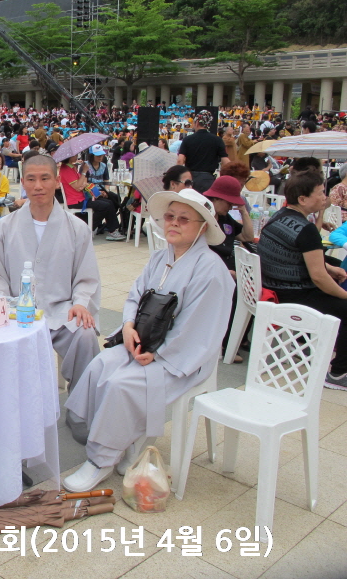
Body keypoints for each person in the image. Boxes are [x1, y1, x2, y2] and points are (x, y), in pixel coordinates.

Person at [63, 189, 233, 492]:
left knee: (122, 384)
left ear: (203, 227)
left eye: (184, 219)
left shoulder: (212, 270)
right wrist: (128, 326)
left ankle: (101, 460)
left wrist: (159, 354)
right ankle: (117, 438)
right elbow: (135, 295)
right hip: (142, 341)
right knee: (102, 363)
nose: (174, 223)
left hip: (182, 356)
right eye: (170, 216)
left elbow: (199, 329)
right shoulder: (160, 258)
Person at [0, 154, 102, 387]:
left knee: (85, 335)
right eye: (31, 179)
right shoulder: (4, 227)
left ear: (57, 181)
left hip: (62, 311)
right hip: (16, 312)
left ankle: (82, 406)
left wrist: (81, 303)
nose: (38, 186)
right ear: (22, 183)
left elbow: (86, 277)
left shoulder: (77, 228)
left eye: (45, 178)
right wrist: (2, 303)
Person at [258, 169, 347, 391]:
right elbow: (319, 278)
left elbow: (300, 254)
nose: (325, 197)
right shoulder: (305, 229)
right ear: (303, 199)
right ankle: (338, 373)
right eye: (321, 192)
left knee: (333, 269)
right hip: (293, 294)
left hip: (274, 287)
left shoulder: (279, 217)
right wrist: (344, 295)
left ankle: (307, 343)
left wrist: (329, 268)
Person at [59, 154, 125, 240]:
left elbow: (83, 184)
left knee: (109, 201)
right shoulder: (66, 169)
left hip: (82, 197)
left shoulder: (72, 167)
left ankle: (110, 229)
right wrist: (84, 171)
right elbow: (78, 186)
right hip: (76, 201)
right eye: (75, 155)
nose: (77, 156)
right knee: (106, 206)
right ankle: (90, 228)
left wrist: (98, 193)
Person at [177, 111, 229, 193]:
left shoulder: (187, 139)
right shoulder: (217, 140)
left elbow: (180, 160)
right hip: (208, 179)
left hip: (190, 178)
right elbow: (225, 161)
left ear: (197, 122)